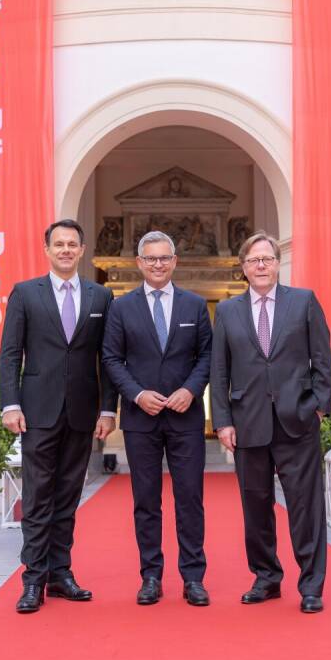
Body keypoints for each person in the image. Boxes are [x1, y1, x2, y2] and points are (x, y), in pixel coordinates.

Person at [0, 219, 118, 614]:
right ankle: (33, 579)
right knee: (37, 497)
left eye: (72, 244)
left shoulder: (101, 296)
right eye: (59, 244)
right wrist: (10, 404)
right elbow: (11, 354)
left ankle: (60, 573)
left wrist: (107, 408)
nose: (66, 250)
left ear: (82, 250)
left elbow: (109, 359)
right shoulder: (25, 294)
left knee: (68, 496)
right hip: (36, 412)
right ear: (47, 250)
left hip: (82, 413)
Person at [210, 232, 331, 613]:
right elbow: (219, 370)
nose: (260, 266)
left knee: (304, 505)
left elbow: (322, 360)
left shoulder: (304, 302)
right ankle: (266, 577)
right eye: (253, 260)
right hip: (248, 424)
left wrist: (318, 406)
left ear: (278, 264)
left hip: (297, 420)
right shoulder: (228, 312)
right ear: (243, 268)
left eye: (266, 259)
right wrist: (223, 422)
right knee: (256, 506)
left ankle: (311, 585)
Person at [102, 231, 213, 607]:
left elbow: (207, 356)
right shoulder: (121, 308)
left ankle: (193, 577)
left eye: (164, 257)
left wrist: (190, 390)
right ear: (139, 263)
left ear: (175, 261)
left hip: (186, 418)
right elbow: (111, 359)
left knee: (190, 499)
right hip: (141, 419)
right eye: (150, 258)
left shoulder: (195, 306)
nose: (158, 264)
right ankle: (151, 576)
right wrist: (136, 394)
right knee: (146, 501)